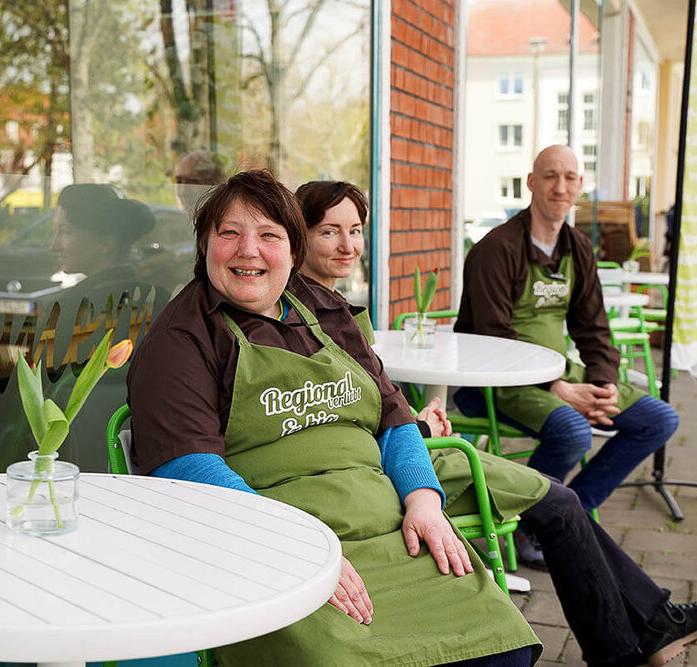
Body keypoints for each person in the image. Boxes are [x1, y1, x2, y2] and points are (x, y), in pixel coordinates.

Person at [294, 178, 697, 667]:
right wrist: (416, 433)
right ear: (299, 234)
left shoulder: (338, 308)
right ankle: (635, 637)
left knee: (565, 500)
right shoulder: (306, 317)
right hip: (397, 472)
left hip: (404, 452)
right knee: (562, 502)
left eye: (355, 230)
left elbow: (355, 405)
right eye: (329, 232)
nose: (348, 245)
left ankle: (645, 627)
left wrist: (410, 419)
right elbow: (323, 428)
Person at [129, 169, 544, 666]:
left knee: (502, 648)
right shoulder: (182, 338)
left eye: (268, 235)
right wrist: (299, 548)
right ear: (205, 246)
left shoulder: (323, 309)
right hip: (275, 540)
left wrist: (425, 500)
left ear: (292, 251)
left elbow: (393, 417)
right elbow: (187, 466)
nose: (248, 250)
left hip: (394, 529)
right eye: (229, 233)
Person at [454, 145, 679, 516]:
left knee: (659, 420)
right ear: (531, 182)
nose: (560, 187)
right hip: (496, 382)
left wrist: (604, 383)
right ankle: (534, 523)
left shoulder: (578, 248)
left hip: (557, 374)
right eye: (550, 176)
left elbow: (593, 326)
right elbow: (493, 339)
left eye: (569, 177)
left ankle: (571, 512)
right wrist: (557, 389)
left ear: (579, 187)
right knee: (574, 433)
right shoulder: (496, 249)